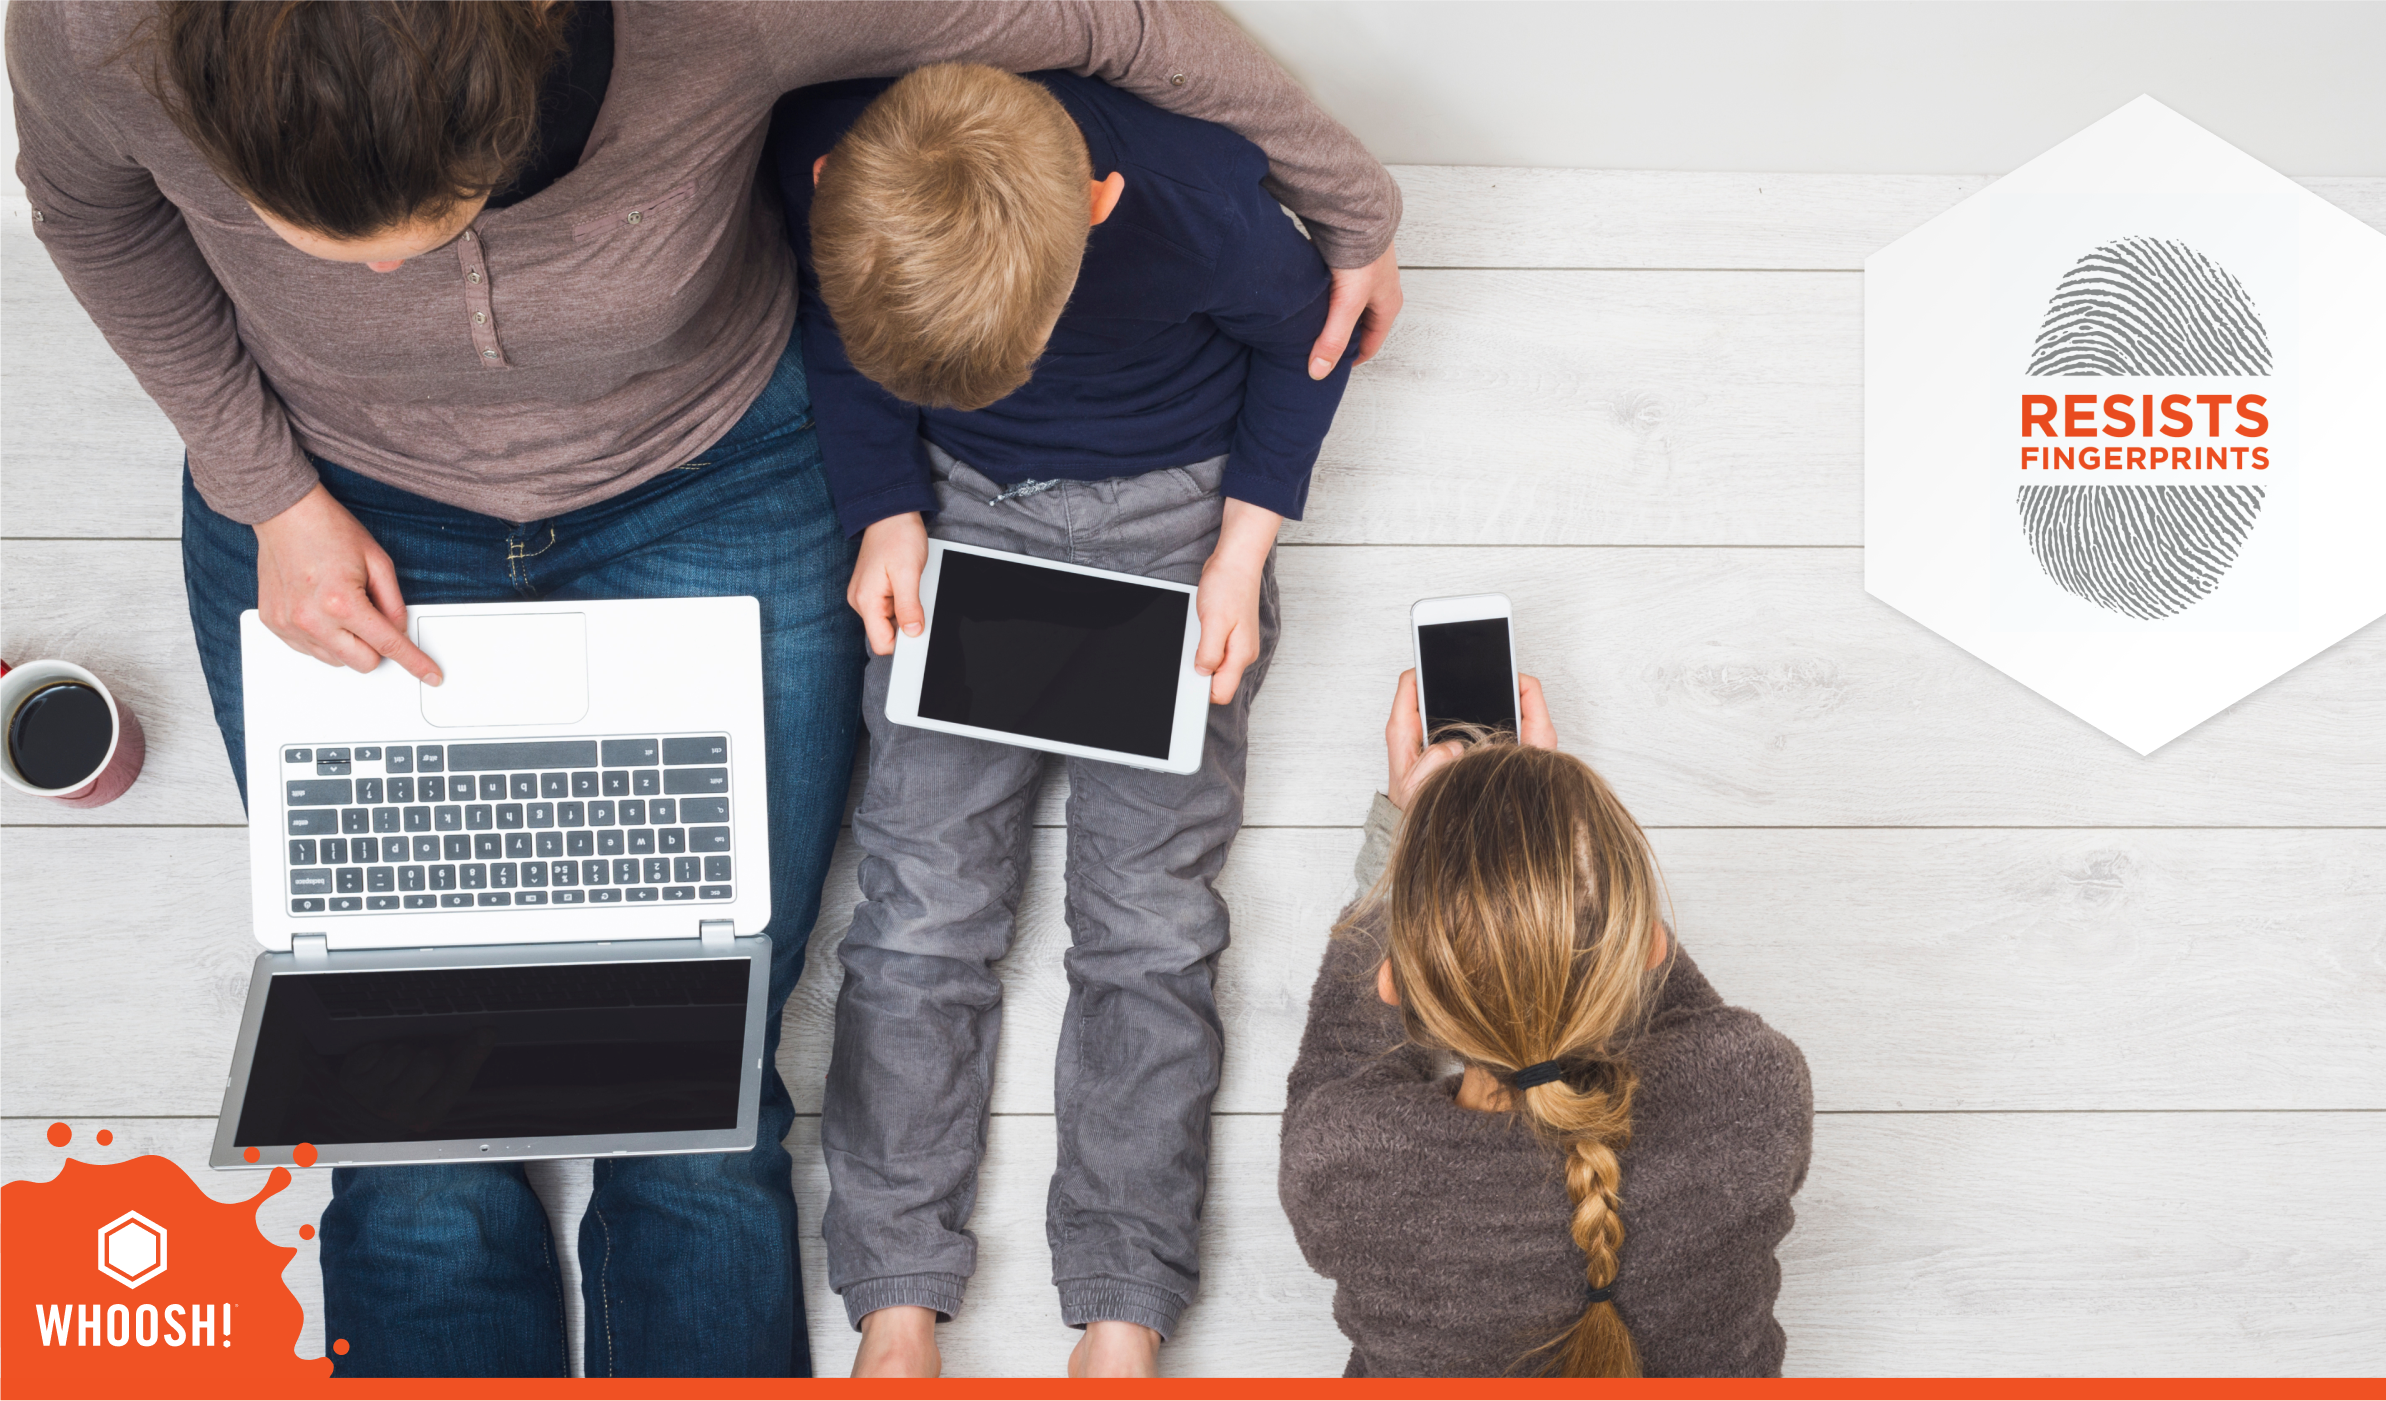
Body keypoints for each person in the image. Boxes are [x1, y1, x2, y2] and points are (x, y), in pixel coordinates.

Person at [8, 0, 1401, 1377]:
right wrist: (269, 493)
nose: (387, 279)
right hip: (337, 501)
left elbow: (1118, 25)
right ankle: (899, 1302)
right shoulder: (89, 29)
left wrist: (1359, 215)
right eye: (307, 236)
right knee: (412, 1125)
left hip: (729, 474)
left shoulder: (797, 46)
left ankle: (1082, 1304)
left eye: (426, 220)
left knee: (707, 1062)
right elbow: (92, 212)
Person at [766, 64, 1360, 1376]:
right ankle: (895, 1299)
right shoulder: (837, 164)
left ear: (1100, 203)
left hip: (1172, 522)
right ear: (826, 186)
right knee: (921, 910)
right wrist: (883, 511)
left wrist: (1239, 560)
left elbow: (1308, 344)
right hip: (957, 509)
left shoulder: (1198, 195)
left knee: (1151, 925)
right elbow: (838, 332)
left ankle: (1121, 1304)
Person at [1279, 672, 1813, 1376]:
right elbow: (1682, 1012)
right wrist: (1549, 843)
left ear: (1392, 985)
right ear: (1650, 945)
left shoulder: (1346, 1168)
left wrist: (1401, 837)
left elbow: (1337, 1073)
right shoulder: (1753, 1091)